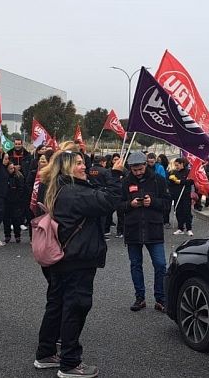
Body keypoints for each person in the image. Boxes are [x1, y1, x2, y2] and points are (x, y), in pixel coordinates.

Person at [34, 149, 124, 378]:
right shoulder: (74, 193)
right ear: (66, 168)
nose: (84, 167)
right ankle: (70, 363)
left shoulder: (58, 188)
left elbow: (96, 194)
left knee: (56, 305)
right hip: (77, 259)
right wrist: (114, 175)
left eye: (83, 162)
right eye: (78, 163)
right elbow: (109, 201)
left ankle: (45, 353)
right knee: (76, 307)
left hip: (61, 257)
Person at [120, 151, 170, 313]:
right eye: (134, 170)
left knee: (161, 265)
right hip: (133, 229)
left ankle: (161, 299)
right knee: (136, 265)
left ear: (146, 165)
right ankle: (140, 298)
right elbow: (118, 205)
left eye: (140, 169)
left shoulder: (158, 180)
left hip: (153, 228)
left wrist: (153, 202)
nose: (138, 172)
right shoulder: (126, 181)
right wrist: (130, 204)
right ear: (130, 168)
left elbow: (167, 204)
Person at [168, 158, 194, 236]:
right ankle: (180, 228)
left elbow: (191, 181)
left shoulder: (188, 172)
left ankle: (189, 229)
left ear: (182, 164)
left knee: (187, 212)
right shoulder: (174, 172)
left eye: (177, 165)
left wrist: (181, 181)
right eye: (175, 165)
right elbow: (170, 184)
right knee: (178, 212)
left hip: (185, 195)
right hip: (177, 195)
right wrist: (171, 180)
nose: (176, 167)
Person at [4, 163, 26, 243]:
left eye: (13, 168)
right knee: (6, 219)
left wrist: (17, 198)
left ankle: (17, 235)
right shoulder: (4, 177)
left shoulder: (18, 176)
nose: (12, 170)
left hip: (15, 201)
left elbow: (21, 189)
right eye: (10, 168)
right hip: (6, 200)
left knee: (16, 219)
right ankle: (7, 235)